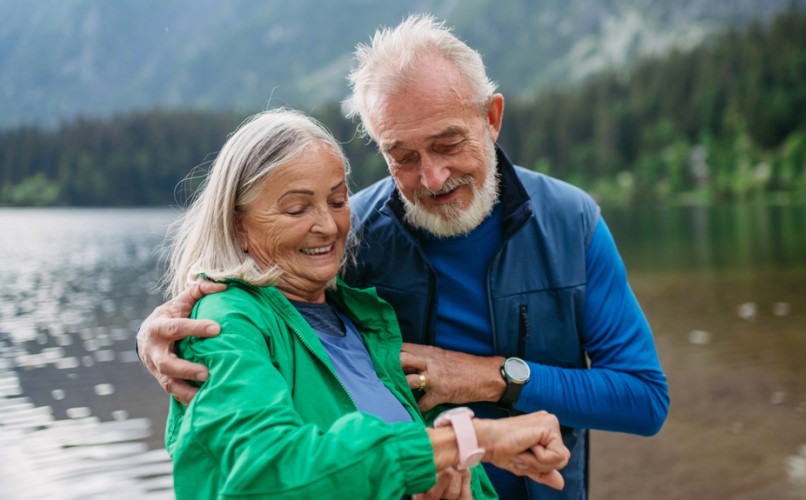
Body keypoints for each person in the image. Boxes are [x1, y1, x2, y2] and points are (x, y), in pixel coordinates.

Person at [139, 15, 669, 500]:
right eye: (403, 156)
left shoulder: (571, 223)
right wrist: (161, 329)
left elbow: (645, 399)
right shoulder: (351, 235)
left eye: (448, 144)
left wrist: (493, 378)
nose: (432, 178)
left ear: (492, 117)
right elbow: (257, 305)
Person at [157, 107, 571, 500]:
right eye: (297, 208)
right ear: (238, 225)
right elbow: (262, 473)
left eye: (338, 201)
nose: (327, 225)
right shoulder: (224, 320)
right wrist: (469, 440)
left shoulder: (359, 317)